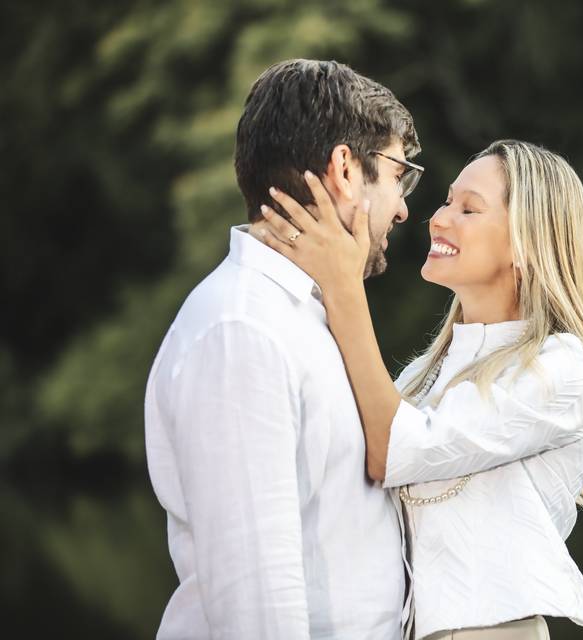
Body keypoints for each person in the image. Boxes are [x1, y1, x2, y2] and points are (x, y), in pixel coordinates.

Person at [258, 139, 583, 639]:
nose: (437, 217)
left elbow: (393, 450)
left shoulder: (560, 369)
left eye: (469, 209)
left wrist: (343, 284)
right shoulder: (420, 376)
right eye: (447, 200)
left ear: (527, 243)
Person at [144, 59, 423, 639]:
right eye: (399, 173)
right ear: (345, 169)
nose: (402, 206)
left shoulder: (306, 318)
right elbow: (256, 604)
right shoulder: (241, 330)